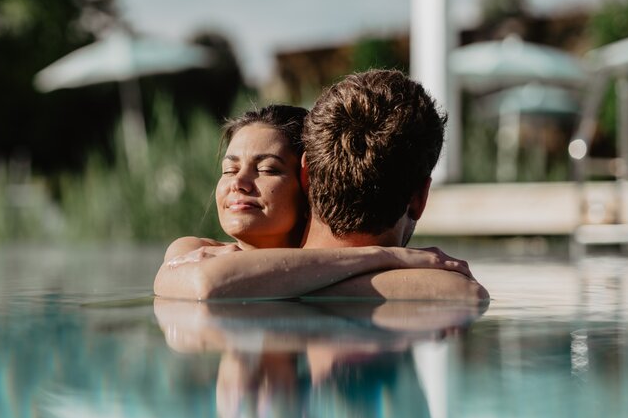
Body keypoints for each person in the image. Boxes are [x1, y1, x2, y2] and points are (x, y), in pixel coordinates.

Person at [153, 98, 477, 301]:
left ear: (308, 182)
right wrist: (384, 255)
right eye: (229, 169)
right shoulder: (192, 250)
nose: (239, 182)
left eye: (266, 169)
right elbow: (206, 286)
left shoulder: (213, 265)